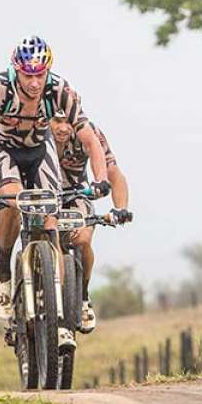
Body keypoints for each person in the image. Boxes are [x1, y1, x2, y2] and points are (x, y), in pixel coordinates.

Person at [0, 35, 110, 342]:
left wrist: (100, 179)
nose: (34, 83)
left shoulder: (60, 90)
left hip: (40, 150)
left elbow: (91, 140)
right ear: (17, 70)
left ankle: (61, 316)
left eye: (39, 75)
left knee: (51, 219)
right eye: (28, 75)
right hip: (5, 149)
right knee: (14, 199)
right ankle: (3, 270)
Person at [50, 114, 131, 333]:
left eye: (68, 122)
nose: (63, 128)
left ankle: (83, 296)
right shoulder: (35, 131)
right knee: (44, 236)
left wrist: (120, 207)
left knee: (83, 239)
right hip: (43, 197)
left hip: (78, 194)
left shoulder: (89, 132)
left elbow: (112, 171)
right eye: (57, 121)